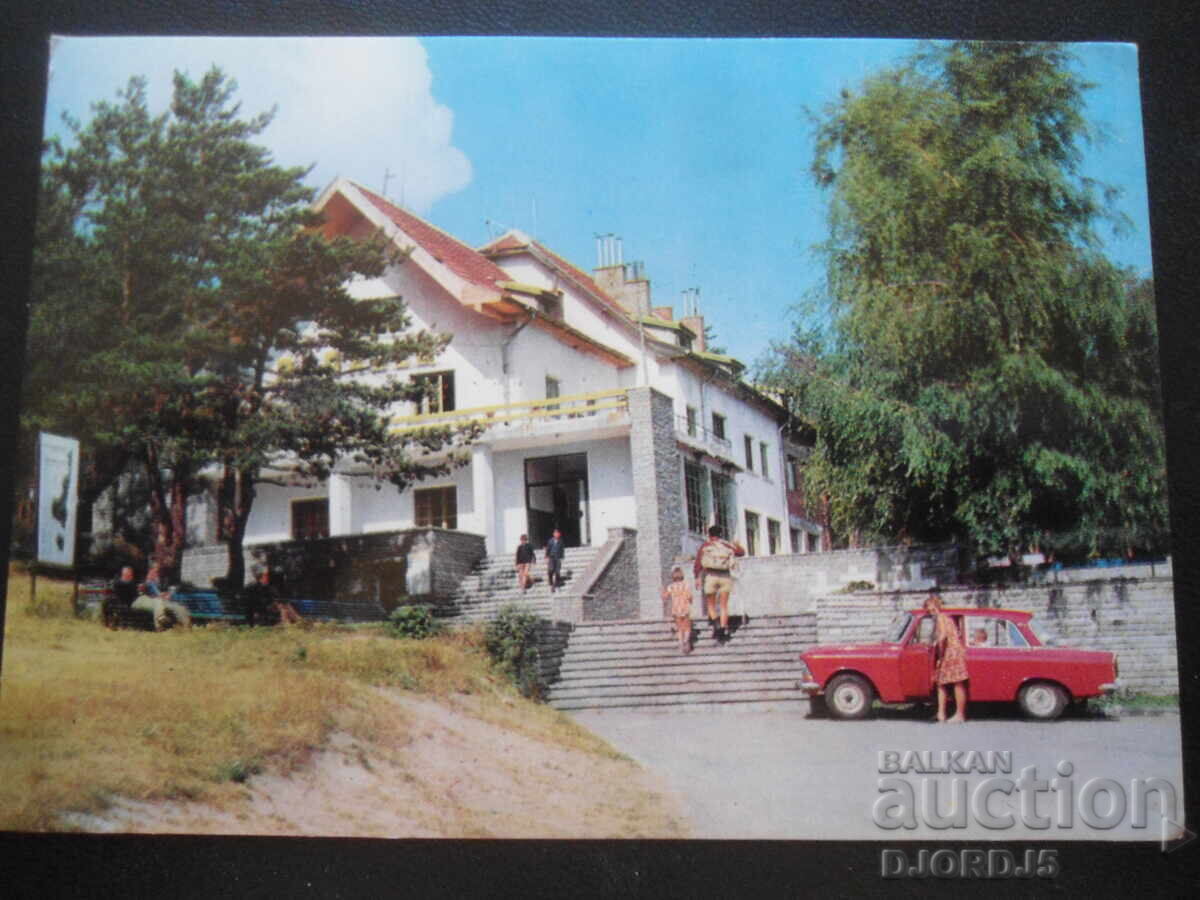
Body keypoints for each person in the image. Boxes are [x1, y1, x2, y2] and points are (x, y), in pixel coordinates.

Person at [693, 524, 746, 641]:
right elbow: (741, 553)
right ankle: (723, 628)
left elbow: (698, 563)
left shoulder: (706, 546)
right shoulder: (726, 545)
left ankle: (716, 624)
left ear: (709, 535)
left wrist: (697, 578)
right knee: (723, 605)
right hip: (725, 577)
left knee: (710, 605)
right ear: (720, 534)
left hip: (711, 576)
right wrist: (736, 544)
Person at [925, 591, 968, 723]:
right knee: (941, 683)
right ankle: (941, 713)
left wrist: (936, 646)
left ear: (937, 607)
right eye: (929, 609)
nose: (930, 611)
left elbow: (943, 636)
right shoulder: (947, 617)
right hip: (954, 651)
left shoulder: (940, 617)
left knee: (957, 683)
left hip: (951, 652)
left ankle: (960, 715)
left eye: (932, 608)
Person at [133, 563, 192, 630]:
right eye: (154, 571)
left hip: (163, 600)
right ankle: (159, 626)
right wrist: (144, 587)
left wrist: (167, 594)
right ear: (150, 571)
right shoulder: (148, 583)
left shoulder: (161, 582)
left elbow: (163, 592)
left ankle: (186, 625)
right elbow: (145, 589)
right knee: (159, 603)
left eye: (157, 571)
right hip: (153, 600)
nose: (155, 573)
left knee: (178, 607)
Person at [662, 566, 695, 654]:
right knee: (687, 627)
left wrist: (662, 591)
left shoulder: (671, 586)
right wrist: (690, 600)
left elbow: (665, 597)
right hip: (685, 607)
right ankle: (686, 641)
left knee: (680, 628)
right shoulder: (686, 585)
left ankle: (680, 643)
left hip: (676, 608)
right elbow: (690, 597)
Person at [545, 529, 566, 593]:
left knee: (557, 572)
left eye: (557, 533)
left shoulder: (561, 541)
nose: (556, 534)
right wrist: (546, 556)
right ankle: (550, 580)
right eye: (555, 533)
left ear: (559, 534)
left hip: (558, 558)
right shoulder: (550, 541)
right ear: (553, 534)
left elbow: (562, 550)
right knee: (550, 570)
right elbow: (548, 549)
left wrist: (562, 557)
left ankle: (553, 586)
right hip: (551, 557)